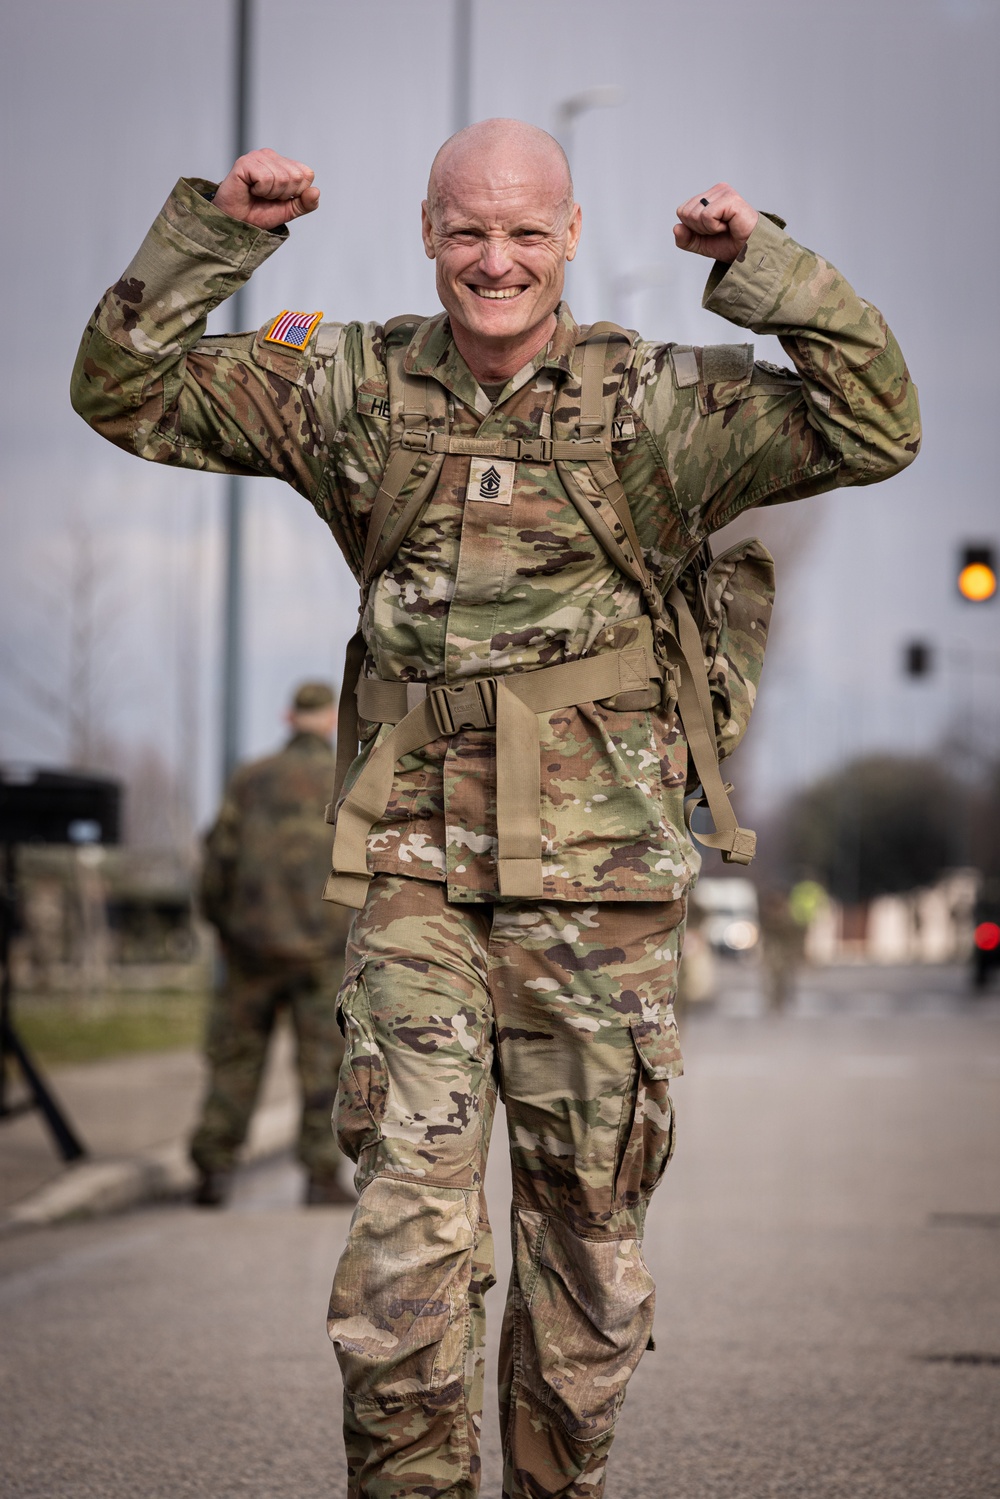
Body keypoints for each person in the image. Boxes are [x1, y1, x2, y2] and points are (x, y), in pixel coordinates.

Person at [71, 119, 920, 1498]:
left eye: (527, 230)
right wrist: (220, 234)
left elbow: (880, 424)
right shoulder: (351, 388)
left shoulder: (657, 404)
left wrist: (761, 264)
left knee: (585, 1253)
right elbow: (122, 388)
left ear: (571, 234)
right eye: (467, 229)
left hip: (602, 893)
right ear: (426, 231)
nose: (496, 260)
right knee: (406, 1247)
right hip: (414, 877)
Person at [190, 680, 353, 1208]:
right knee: (323, 1063)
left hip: (251, 947)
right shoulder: (347, 778)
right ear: (329, 719)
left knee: (236, 1058)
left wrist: (221, 926)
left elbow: (218, 859)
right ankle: (320, 1175)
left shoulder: (250, 778)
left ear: (288, 717)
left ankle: (214, 1168)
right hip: (323, 949)